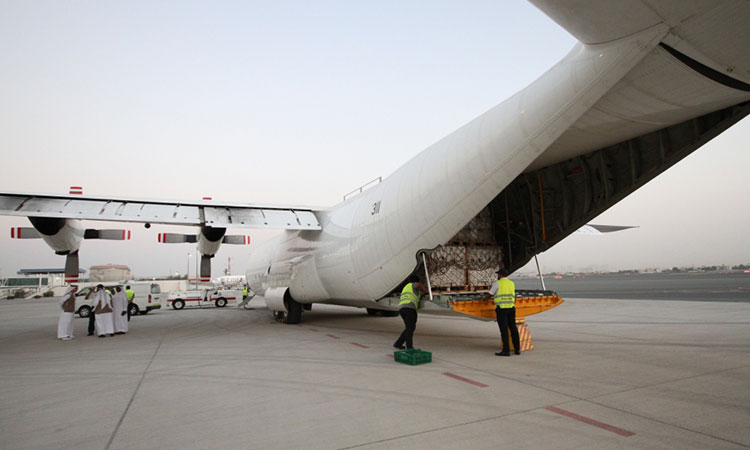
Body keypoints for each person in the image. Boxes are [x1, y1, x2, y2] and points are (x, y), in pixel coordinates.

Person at [480, 268, 520, 356]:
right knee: (513, 328)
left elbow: (490, 294)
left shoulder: (497, 283)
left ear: (500, 275)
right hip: (511, 308)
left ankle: (506, 351)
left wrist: (484, 300)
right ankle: (517, 349)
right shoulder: (511, 283)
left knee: (504, 330)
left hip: (502, 309)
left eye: (498, 274)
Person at [393, 275, 430, 350]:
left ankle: (398, 343)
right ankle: (409, 347)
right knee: (410, 328)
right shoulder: (413, 285)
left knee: (409, 328)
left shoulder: (407, 287)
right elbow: (419, 285)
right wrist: (426, 291)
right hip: (409, 308)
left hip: (402, 309)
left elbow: (417, 294)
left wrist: (422, 293)